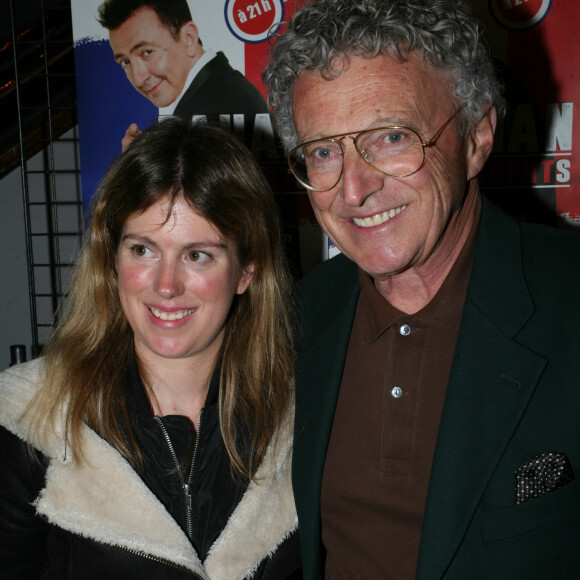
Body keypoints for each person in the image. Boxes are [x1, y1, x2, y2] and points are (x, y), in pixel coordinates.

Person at [264, 0, 580, 578]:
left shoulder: (570, 300)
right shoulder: (296, 319)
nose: (353, 190)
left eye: (390, 137)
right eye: (324, 151)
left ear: (478, 135)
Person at [0, 119, 301, 579]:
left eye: (198, 254)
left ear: (247, 271)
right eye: (143, 250)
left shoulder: (304, 417)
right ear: (112, 258)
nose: (166, 286)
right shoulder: (29, 415)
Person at [97, 0, 269, 148]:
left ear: (188, 38)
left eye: (147, 52)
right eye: (125, 62)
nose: (138, 78)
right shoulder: (220, 89)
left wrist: (138, 167)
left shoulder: (213, 112)